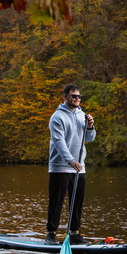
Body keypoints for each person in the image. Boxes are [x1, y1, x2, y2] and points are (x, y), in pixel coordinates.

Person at [46, 84, 96, 245]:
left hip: (79, 168)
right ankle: (51, 234)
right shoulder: (57, 117)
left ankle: (75, 234)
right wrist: (71, 161)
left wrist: (90, 127)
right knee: (56, 202)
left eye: (79, 96)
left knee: (77, 203)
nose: (77, 99)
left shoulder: (83, 116)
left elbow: (89, 139)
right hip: (60, 166)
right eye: (74, 96)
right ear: (66, 97)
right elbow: (59, 143)